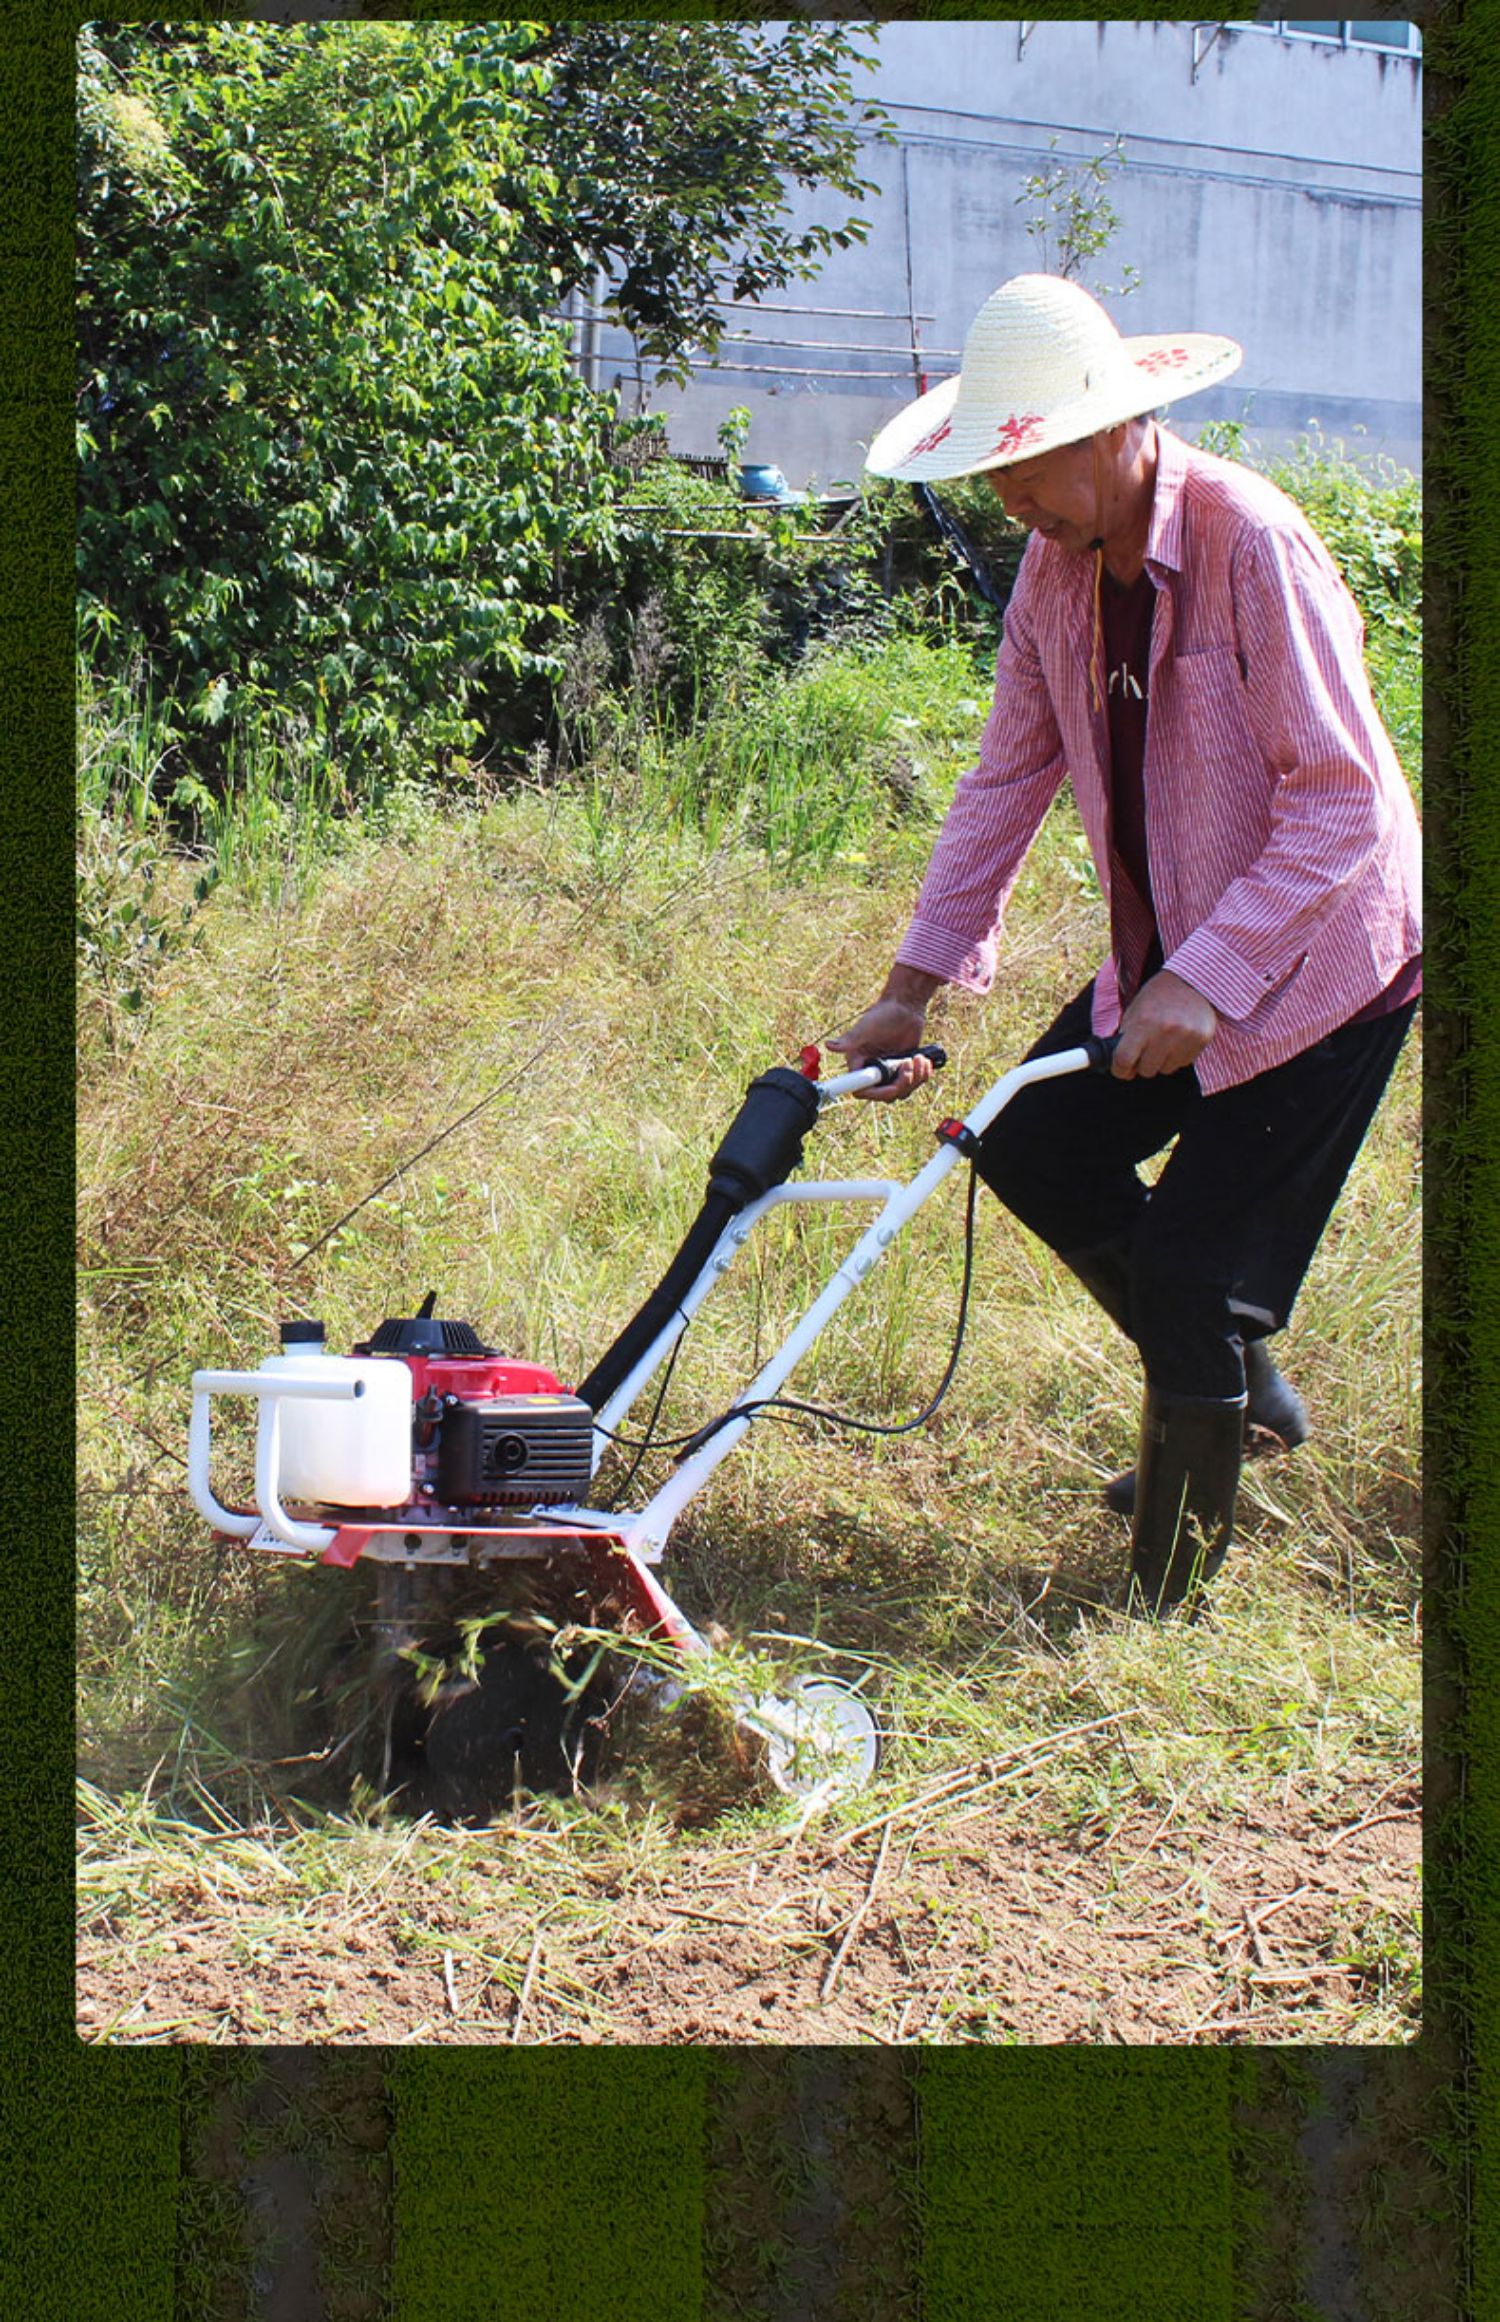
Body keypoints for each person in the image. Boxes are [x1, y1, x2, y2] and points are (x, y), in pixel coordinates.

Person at [830, 273, 1421, 1615]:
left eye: (1031, 462)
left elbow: (1347, 803)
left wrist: (1207, 980)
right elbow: (1004, 781)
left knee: (1193, 1270)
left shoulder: (1249, 544)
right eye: (995, 471)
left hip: (1324, 966)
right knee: (1033, 1146)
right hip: (1173, 956)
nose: (1013, 499)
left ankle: (1166, 1597)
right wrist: (909, 989)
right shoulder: (1054, 575)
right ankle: (1231, 1396)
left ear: (1117, 429)